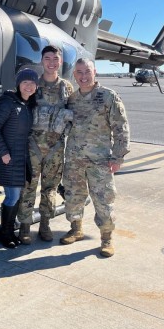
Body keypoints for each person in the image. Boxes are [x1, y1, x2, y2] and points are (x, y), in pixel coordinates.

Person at [61, 58, 130, 257]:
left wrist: (118, 157)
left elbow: (121, 129)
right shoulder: (72, 99)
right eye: (79, 72)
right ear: (74, 75)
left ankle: (106, 238)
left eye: (87, 71)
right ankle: (76, 229)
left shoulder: (108, 97)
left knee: (104, 200)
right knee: (73, 196)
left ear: (95, 72)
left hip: (100, 161)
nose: (83, 76)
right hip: (74, 159)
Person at [17, 44, 74, 244]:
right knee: (28, 186)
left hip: (55, 147)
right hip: (32, 145)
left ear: (60, 62)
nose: (51, 62)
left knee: (50, 188)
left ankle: (45, 224)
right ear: (42, 61)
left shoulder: (66, 87)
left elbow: (72, 115)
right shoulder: (33, 85)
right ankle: (25, 225)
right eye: (47, 58)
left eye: (55, 59)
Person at [0, 67, 39, 248]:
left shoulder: (26, 105)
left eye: (33, 83)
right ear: (18, 84)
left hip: (20, 158)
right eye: (25, 82)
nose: (29, 86)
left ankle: (9, 232)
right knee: (12, 196)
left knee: (15, 196)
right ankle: (5, 234)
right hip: (8, 158)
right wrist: (4, 153)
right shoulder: (8, 102)